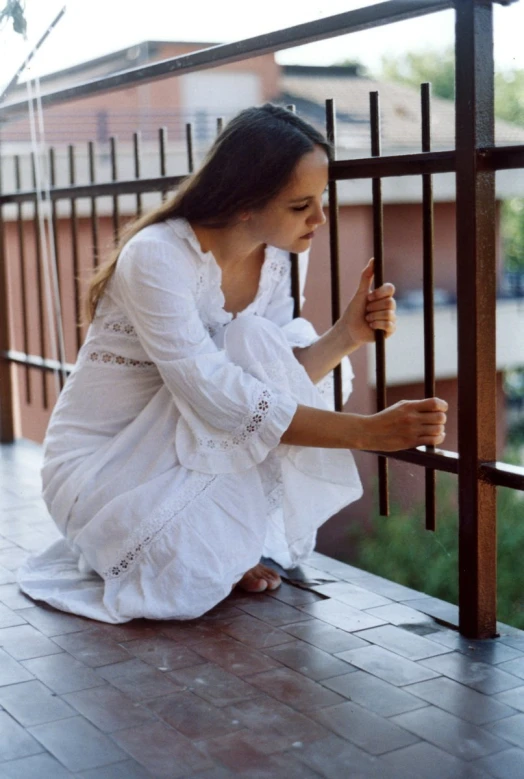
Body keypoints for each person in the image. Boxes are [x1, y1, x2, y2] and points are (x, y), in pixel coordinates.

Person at [18, 104, 447, 624]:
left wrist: (346, 335)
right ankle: (182, 543)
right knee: (174, 580)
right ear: (244, 203)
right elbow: (217, 396)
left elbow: (266, 379)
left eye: (322, 200)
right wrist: (364, 433)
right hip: (103, 466)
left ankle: (221, 547)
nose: (320, 219)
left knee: (258, 339)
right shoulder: (156, 256)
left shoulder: (283, 253)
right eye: (300, 206)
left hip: (185, 441)